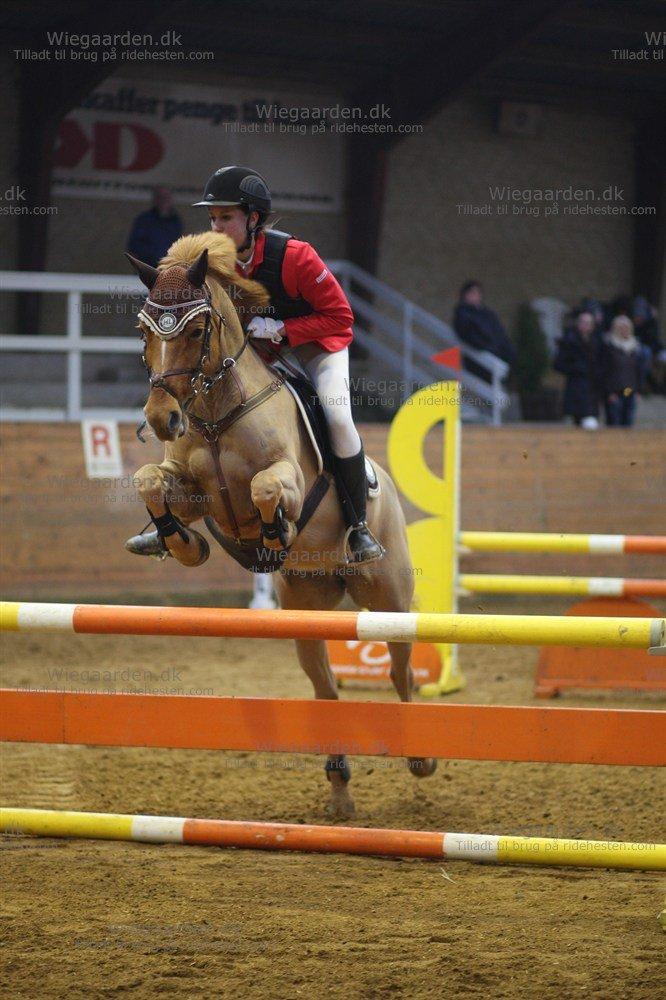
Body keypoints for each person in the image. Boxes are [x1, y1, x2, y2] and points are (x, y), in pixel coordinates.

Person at [453, 280, 517, 373]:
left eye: (478, 292)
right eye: (472, 292)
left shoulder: (488, 314)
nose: (475, 295)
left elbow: (500, 334)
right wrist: (490, 349)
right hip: (478, 360)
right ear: (464, 295)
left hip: (498, 358)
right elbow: (468, 336)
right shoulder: (462, 315)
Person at [553, 310, 601, 428]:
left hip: (592, 391)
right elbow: (558, 365)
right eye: (583, 322)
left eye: (588, 323)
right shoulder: (569, 341)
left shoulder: (597, 343)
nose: (585, 325)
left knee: (591, 425)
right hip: (574, 389)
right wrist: (576, 368)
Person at [599, 316, 646, 427]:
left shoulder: (635, 347)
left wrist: (639, 390)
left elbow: (638, 370)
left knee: (628, 419)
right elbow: (604, 370)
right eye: (621, 327)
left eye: (626, 327)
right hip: (614, 391)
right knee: (614, 421)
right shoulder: (608, 346)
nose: (624, 330)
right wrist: (609, 392)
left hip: (629, 389)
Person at [127, 187, 183, 268]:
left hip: (168, 268)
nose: (164, 200)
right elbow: (134, 246)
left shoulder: (176, 222)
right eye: (160, 197)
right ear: (155, 200)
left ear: (171, 200)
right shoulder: (144, 220)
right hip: (147, 268)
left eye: (166, 197)